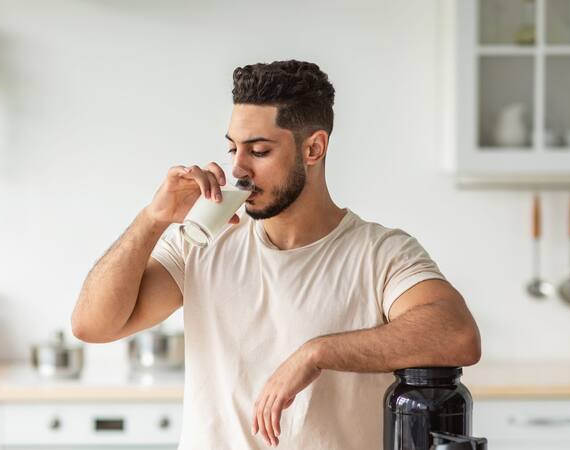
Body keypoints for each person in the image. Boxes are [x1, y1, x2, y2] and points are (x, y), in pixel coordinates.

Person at [71, 60, 481, 449]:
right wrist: (152, 218)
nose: (238, 169)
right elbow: (92, 325)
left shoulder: (379, 253)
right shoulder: (202, 241)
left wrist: (316, 353)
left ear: (314, 149)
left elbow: (457, 335)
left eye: (259, 151)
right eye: (233, 149)